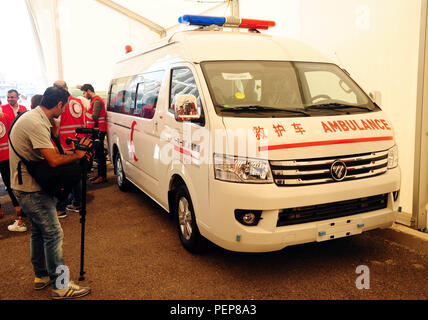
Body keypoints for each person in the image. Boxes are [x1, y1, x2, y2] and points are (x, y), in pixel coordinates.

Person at [9, 86, 91, 299]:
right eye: (62, 109)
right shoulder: (36, 123)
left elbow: (52, 138)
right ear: (59, 105)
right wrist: (78, 154)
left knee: (39, 231)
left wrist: (55, 124)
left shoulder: (34, 116)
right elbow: (54, 160)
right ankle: (61, 286)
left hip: (24, 187)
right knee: (54, 233)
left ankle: (41, 276)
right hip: (31, 190)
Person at [53, 80, 86, 217]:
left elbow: (56, 126)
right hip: (78, 145)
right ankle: (77, 202)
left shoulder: (59, 104)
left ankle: (61, 207)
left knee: (65, 178)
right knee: (76, 176)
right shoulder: (78, 102)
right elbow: (83, 123)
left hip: (64, 146)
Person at [1, 90, 28, 231]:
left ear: (18, 98)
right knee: (9, 178)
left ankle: (20, 206)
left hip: (17, 147)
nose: (10, 99)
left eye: (12, 97)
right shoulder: (2, 109)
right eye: (8, 97)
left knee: (15, 177)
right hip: (7, 147)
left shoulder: (23, 109)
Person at [80, 84, 107, 184]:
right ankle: (100, 175)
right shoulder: (94, 100)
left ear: (88, 91)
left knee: (100, 155)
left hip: (99, 130)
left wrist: (86, 112)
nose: (84, 95)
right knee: (98, 154)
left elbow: (94, 117)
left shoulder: (97, 101)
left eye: (84, 93)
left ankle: (102, 176)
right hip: (96, 130)